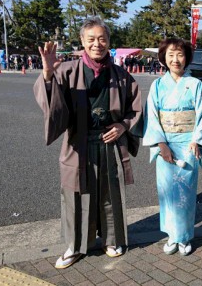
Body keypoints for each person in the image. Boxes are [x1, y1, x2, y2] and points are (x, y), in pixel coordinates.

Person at [34, 16, 143, 269]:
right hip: (78, 144)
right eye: (91, 39)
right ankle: (74, 246)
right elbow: (51, 106)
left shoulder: (122, 76)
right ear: (82, 41)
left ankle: (111, 239)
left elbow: (135, 110)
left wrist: (122, 126)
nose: (97, 44)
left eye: (102, 39)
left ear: (109, 42)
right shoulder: (67, 70)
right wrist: (48, 74)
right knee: (75, 195)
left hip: (110, 144)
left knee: (109, 194)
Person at [143, 37, 202, 256]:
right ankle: (171, 236)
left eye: (180, 54)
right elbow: (152, 115)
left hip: (188, 143)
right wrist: (161, 143)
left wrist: (197, 141)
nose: (175, 59)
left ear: (187, 58)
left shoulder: (195, 84)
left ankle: (184, 237)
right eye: (171, 54)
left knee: (185, 192)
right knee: (167, 191)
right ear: (163, 57)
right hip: (165, 143)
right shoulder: (157, 85)